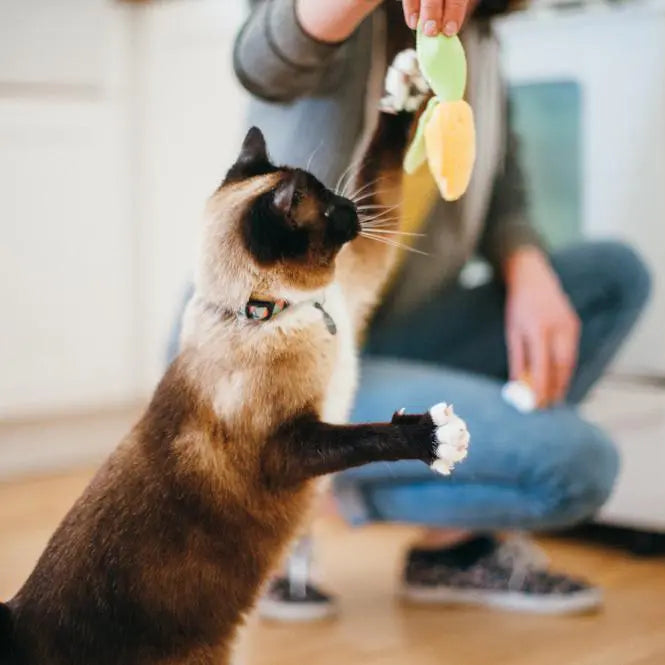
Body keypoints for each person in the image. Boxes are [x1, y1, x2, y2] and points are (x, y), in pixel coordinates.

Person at [176, 0, 652, 618]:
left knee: (612, 277)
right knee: (578, 466)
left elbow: (503, 179)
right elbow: (262, 59)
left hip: (405, 327)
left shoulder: (474, 36)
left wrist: (525, 261)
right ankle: (296, 488)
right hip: (290, 353)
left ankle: (442, 545)